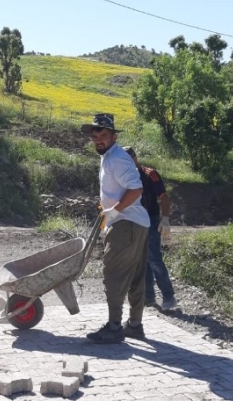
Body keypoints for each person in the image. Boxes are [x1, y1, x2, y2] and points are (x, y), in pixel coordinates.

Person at [81, 113, 150, 343]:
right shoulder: (109, 157)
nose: (99, 139)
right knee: (135, 277)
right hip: (136, 223)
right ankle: (134, 325)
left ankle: (113, 328)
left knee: (114, 274)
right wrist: (109, 207)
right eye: (96, 136)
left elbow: (136, 188)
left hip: (125, 224)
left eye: (104, 135)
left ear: (114, 136)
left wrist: (116, 211)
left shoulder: (117, 158)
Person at [124, 147, 177, 312]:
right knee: (141, 260)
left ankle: (169, 296)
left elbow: (164, 197)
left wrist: (165, 219)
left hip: (151, 220)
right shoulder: (125, 177)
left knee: (154, 258)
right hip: (134, 221)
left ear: (135, 158)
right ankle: (148, 298)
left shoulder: (149, 174)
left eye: (130, 160)